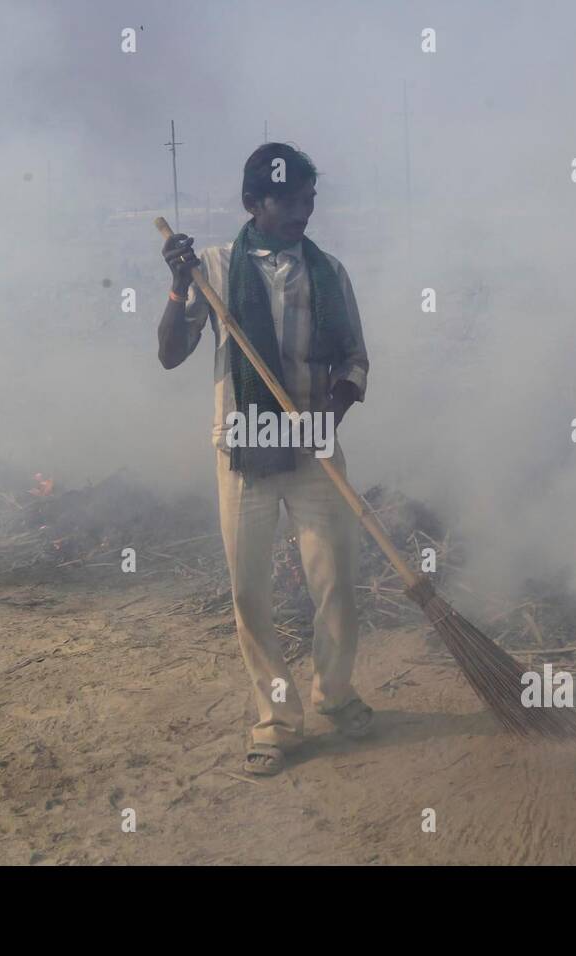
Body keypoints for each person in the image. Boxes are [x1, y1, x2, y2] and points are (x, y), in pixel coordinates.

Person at [157, 143, 372, 775]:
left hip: (314, 456)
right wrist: (177, 285)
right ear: (254, 204)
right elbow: (170, 354)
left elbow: (354, 361)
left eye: (310, 198)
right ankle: (277, 720)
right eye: (291, 201)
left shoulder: (329, 271)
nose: (305, 211)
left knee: (334, 582)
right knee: (250, 593)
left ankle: (333, 697)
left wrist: (327, 418)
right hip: (243, 453)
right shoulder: (215, 271)